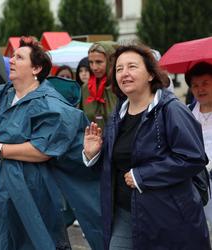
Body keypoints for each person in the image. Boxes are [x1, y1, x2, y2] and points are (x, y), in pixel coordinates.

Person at [0, 36, 103, 249]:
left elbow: (43, 150)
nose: (11, 61)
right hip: (0, 191)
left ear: (36, 68)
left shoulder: (50, 104)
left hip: (33, 193)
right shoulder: (1, 94)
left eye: (19, 57)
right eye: (12, 56)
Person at [83, 44, 211, 250]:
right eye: (118, 69)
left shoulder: (171, 109)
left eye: (132, 66)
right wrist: (94, 154)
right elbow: (118, 164)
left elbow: (193, 158)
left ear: (151, 74)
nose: (124, 73)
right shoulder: (118, 114)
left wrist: (143, 176)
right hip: (124, 213)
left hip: (167, 216)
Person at [185, 61, 212, 226]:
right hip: (197, 184)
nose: (200, 89)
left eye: (205, 84)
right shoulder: (186, 113)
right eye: (195, 85)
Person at [80, 41, 118, 130]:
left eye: (99, 62)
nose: (94, 67)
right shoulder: (85, 89)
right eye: (91, 62)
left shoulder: (120, 87)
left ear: (110, 61)